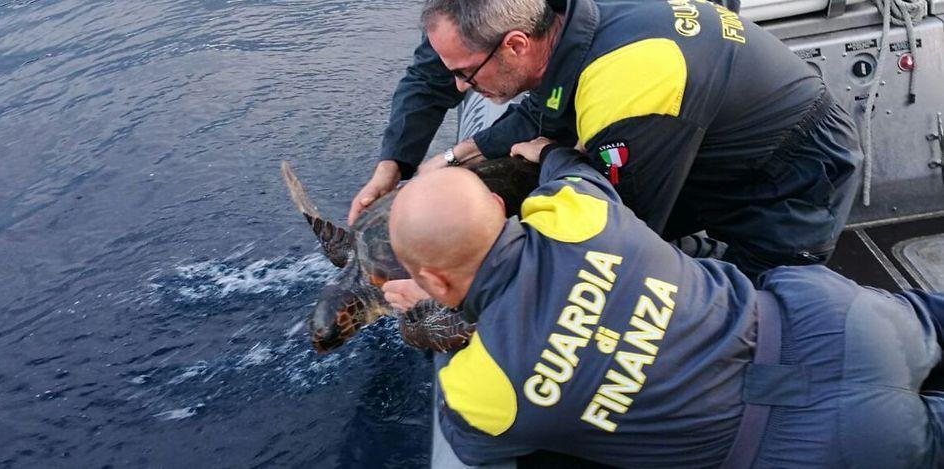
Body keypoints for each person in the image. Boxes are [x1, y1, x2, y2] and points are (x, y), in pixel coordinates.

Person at [386, 144, 944, 468]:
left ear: (431, 279)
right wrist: (542, 151)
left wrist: (429, 313)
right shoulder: (577, 211)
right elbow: (565, 162)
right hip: (840, 323)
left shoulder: (481, 389)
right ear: (497, 203)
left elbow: (471, 446)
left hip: (816, 444)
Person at [363, 0, 862, 280]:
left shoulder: (627, 86)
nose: (460, 87)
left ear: (515, 45)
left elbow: (616, 232)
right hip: (717, 135)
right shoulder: (571, 22)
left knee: (756, 309)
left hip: (796, 176)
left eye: (467, 75)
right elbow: (544, 107)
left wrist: (555, 156)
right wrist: (451, 157)